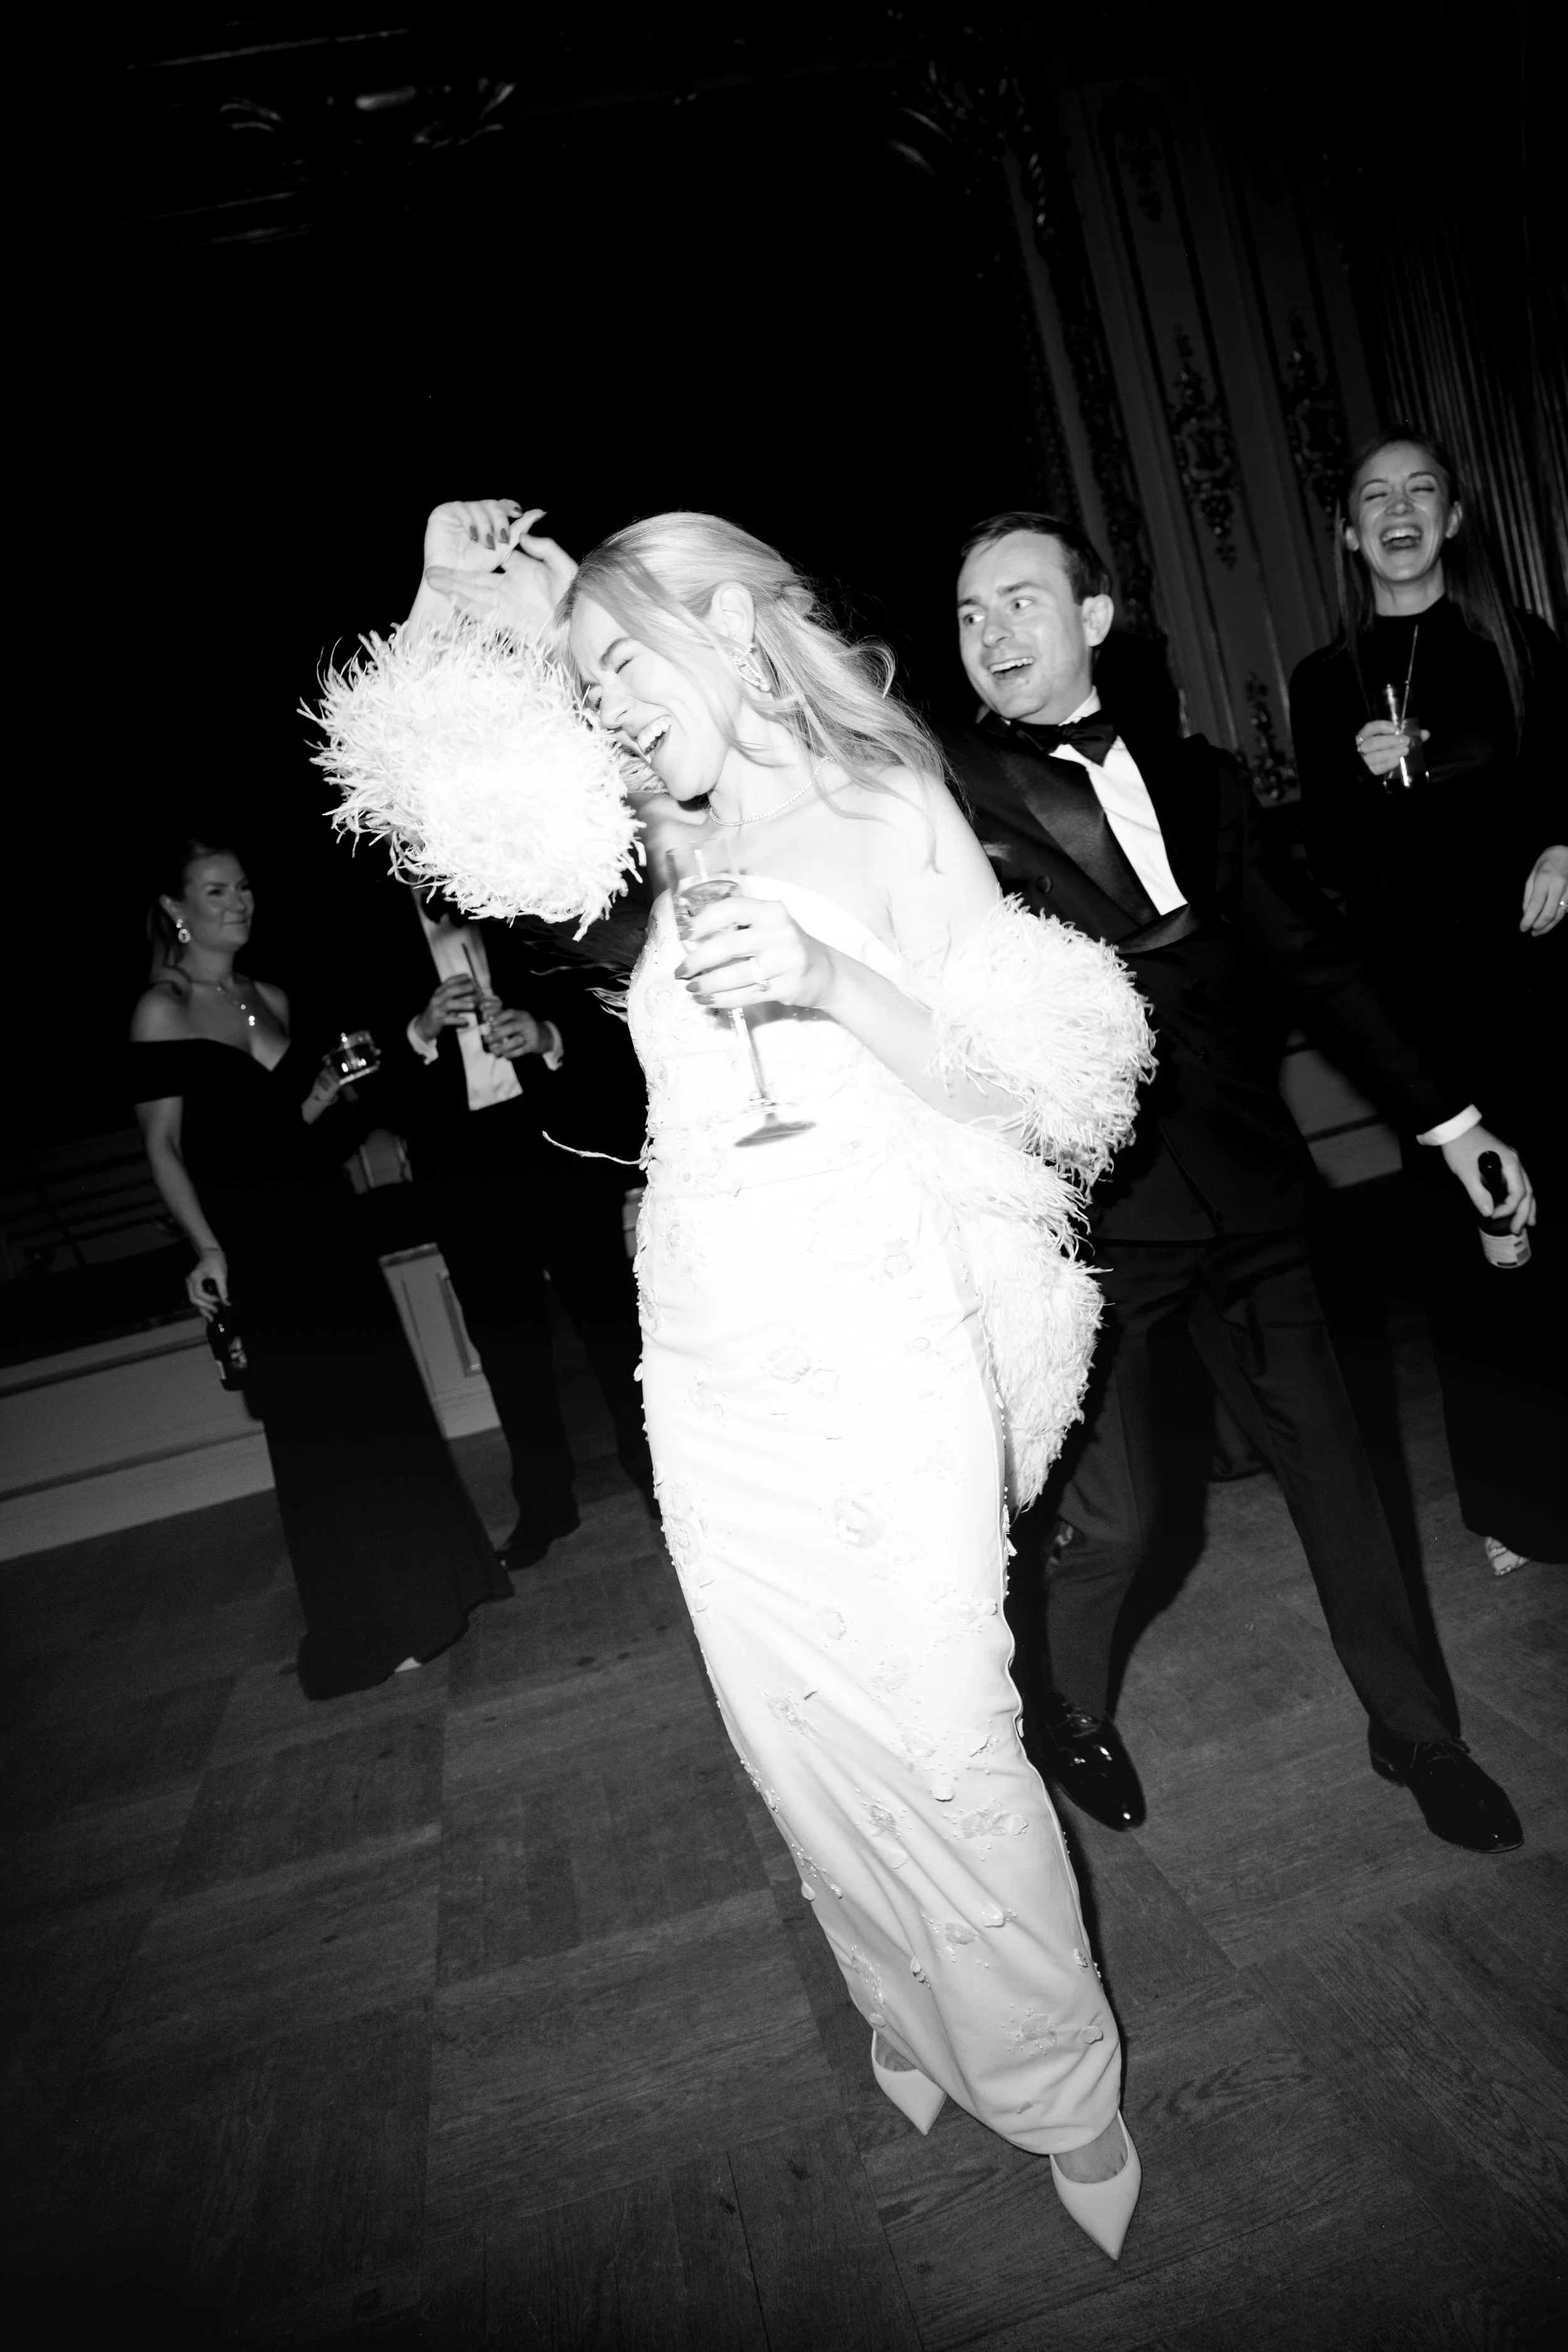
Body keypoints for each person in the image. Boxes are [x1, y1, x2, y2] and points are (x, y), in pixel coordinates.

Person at [403, 499, 1155, 2256]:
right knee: (797, 1735)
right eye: (575, 682)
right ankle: (909, 2013)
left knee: (952, 1728)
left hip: (886, 1332)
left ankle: (1060, 2083)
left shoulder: (894, 805)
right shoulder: (645, 842)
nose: (599, 708)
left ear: (730, 630)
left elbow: (1034, 1092)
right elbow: (450, 824)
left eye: (617, 666)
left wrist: (827, 978)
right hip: (712, 1356)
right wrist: (448, 609)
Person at [942, 511, 1528, 1855]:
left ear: (1092, 620)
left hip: (1255, 1195)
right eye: (970, 617)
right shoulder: (952, 799)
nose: (992, 635)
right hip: (1103, 1214)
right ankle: (1069, 1709)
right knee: (1122, 1518)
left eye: (1019, 602)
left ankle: (1417, 1734)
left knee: (1338, 1476)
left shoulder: (1201, 782)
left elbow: (1315, 966)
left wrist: (1447, 1123)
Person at [129, 837, 511, 1698]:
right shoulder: (163, 1009)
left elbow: (298, 1133)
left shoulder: (272, 997)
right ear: (175, 909)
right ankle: (369, 1622)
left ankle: (433, 1591)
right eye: (216, 889)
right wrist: (209, 1247)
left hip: (325, 1227)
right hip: (258, 1245)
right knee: (323, 1437)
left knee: (381, 1412)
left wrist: (336, 1090)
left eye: (246, 886)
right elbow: (164, 1148)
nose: (239, 901)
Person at [1291, 429, 1567, 1575]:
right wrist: (1362, 786)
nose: (1399, 511)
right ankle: (1515, 1500)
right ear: (1353, 534)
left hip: (1541, 982)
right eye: (1374, 497)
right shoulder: (1324, 684)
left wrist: (1564, 844)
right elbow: (1337, 874)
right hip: (1420, 1010)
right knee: (1472, 1255)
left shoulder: (1521, 647)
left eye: (1421, 492)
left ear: (1454, 519)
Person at [381, 880, 654, 1567]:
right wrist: (418, 1032)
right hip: (461, 1168)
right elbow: (366, 1077)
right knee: (510, 1351)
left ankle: (657, 1475)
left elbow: (608, 1011)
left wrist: (546, 1035)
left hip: (552, 1147)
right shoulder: (370, 941)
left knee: (613, 1326)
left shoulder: (517, 897)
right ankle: (544, 1505)